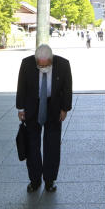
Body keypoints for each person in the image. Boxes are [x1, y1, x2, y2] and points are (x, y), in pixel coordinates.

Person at [16, 44, 72, 193]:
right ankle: (34, 180)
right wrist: (20, 108)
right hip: (32, 107)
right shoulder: (27, 64)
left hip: (53, 107)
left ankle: (49, 180)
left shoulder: (63, 64)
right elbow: (21, 86)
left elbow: (67, 88)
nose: (43, 68)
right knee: (32, 145)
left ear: (51, 59)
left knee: (52, 144)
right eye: (40, 66)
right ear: (36, 61)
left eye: (46, 65)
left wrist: (65, 108)